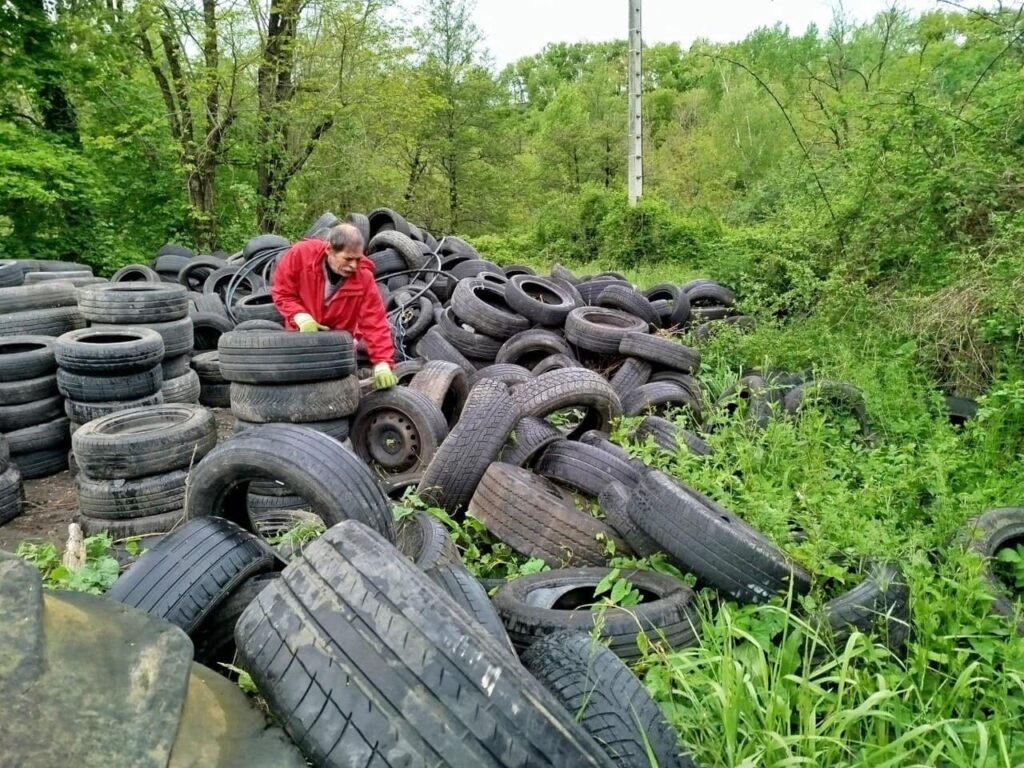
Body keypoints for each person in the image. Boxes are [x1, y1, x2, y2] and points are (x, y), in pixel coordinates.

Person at [271, 223, 397, 390]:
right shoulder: (300, 255)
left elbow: (375, 323)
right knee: (299, 395)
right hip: (300, 341)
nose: (353, 265)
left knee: (341, 398)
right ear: (329, 250)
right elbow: (282, 292)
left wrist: (382, 363)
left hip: (339, 350)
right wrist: (299, 316)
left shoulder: (364, 278)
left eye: (358, 259)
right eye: (348, 259)